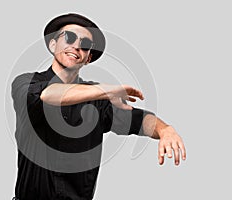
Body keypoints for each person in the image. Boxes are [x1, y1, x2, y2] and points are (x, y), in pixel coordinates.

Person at [11, 13, 186, 200]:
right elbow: (46, 95)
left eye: (85, 45)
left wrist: (165, 129)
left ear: (88, 58)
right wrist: (104, 90)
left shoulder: (99, 98)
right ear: (53, 45)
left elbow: (139, 120)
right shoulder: (26, 82)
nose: (77, 46)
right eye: (69, 37)